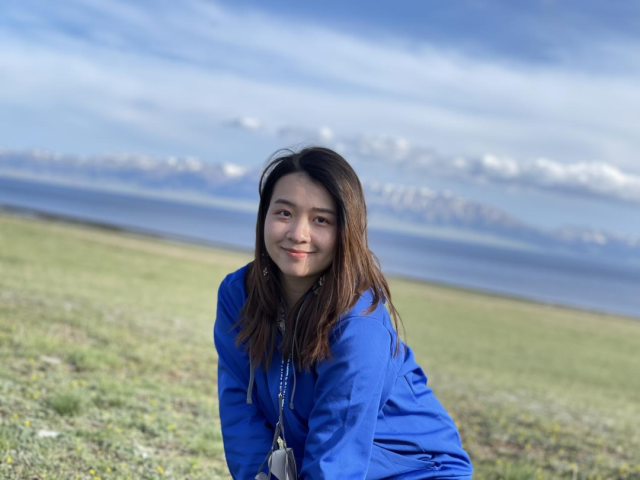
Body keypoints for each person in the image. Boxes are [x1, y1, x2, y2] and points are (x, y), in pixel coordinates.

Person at [213, 146, 473, 479]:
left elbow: (337, 460)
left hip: (417, 472)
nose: (298, 234)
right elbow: (240, 411)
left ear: (345, 232)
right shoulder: (238, 294)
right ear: (264, 216)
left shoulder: (357, 325)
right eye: (284, 213)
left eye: (321, 220)